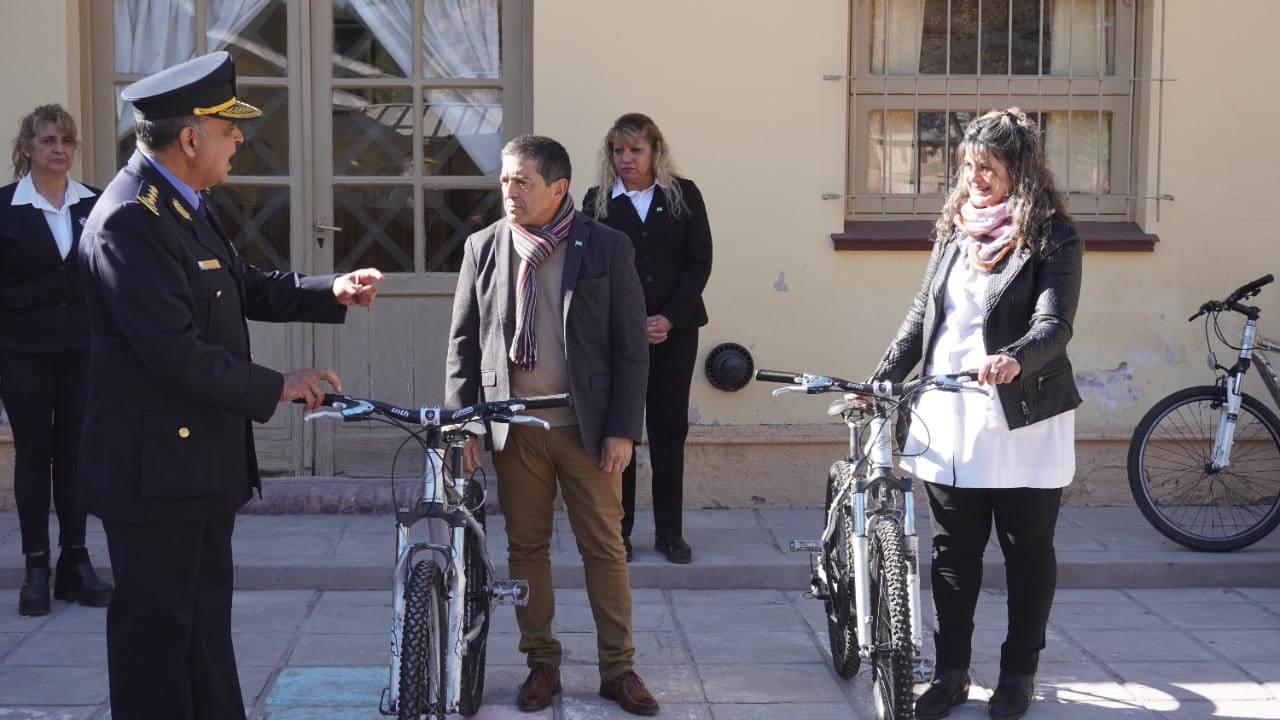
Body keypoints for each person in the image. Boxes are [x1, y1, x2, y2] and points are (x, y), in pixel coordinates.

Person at [77, 51, 383, 720]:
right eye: (228, 127)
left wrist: (326, 289)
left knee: (202, 630)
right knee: (158, 642)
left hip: (193, 466)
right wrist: (282, 384)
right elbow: (175, 356)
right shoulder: (131, 219)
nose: (240, 138)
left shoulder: (186, 206)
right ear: (190, 138)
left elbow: (242, 283)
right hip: (152, 474)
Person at [868, 108, 1082, 720]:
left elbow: (1054, 325)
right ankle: (952, 671)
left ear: (1019, 168)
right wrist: (882, 376)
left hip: (1023, 418)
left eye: (987, 167)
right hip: (950, 413)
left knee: (1026, 552)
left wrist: (1016, 357)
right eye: (968, 165)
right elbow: (922, 318)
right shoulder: (955, 231)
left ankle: (1019, 674)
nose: (974, 177)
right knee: (952, 555)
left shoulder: (1054, 235)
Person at [445, 135, 658, 716]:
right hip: (515, 430)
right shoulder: (484, 247)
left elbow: (630, 349)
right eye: (505, 181)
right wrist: (465, 423)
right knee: (526, 548)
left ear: (558, 188)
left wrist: (622, 430)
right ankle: (542, 664)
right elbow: (465, 344)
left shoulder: (606, 248)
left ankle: (619, 670)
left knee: (604, 550)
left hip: (587, 432)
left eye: (523, 182)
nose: (509, 192)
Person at [582, 113, 712, 565]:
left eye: (636, 150)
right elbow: (591, 273)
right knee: (621, 430)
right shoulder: (597, 202)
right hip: (619, 337)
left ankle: (670, 533)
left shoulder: (683, 196)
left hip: (674, 333)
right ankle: (620, 532)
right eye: (618, 150)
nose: (626, 159)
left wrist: (670, 318)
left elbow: (699, 263)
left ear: (655, 151)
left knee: (668, 430)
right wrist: (627, 322)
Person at [1, 104, 112, 616]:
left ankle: (75, 560)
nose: (58, 149)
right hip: (21, 350)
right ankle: (36, 566)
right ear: (27, 148)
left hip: (81, 349)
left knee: (74, 454)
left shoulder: (96, 203)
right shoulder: (6, 207)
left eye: (66, 140)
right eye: (47, 140)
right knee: (33, 454)